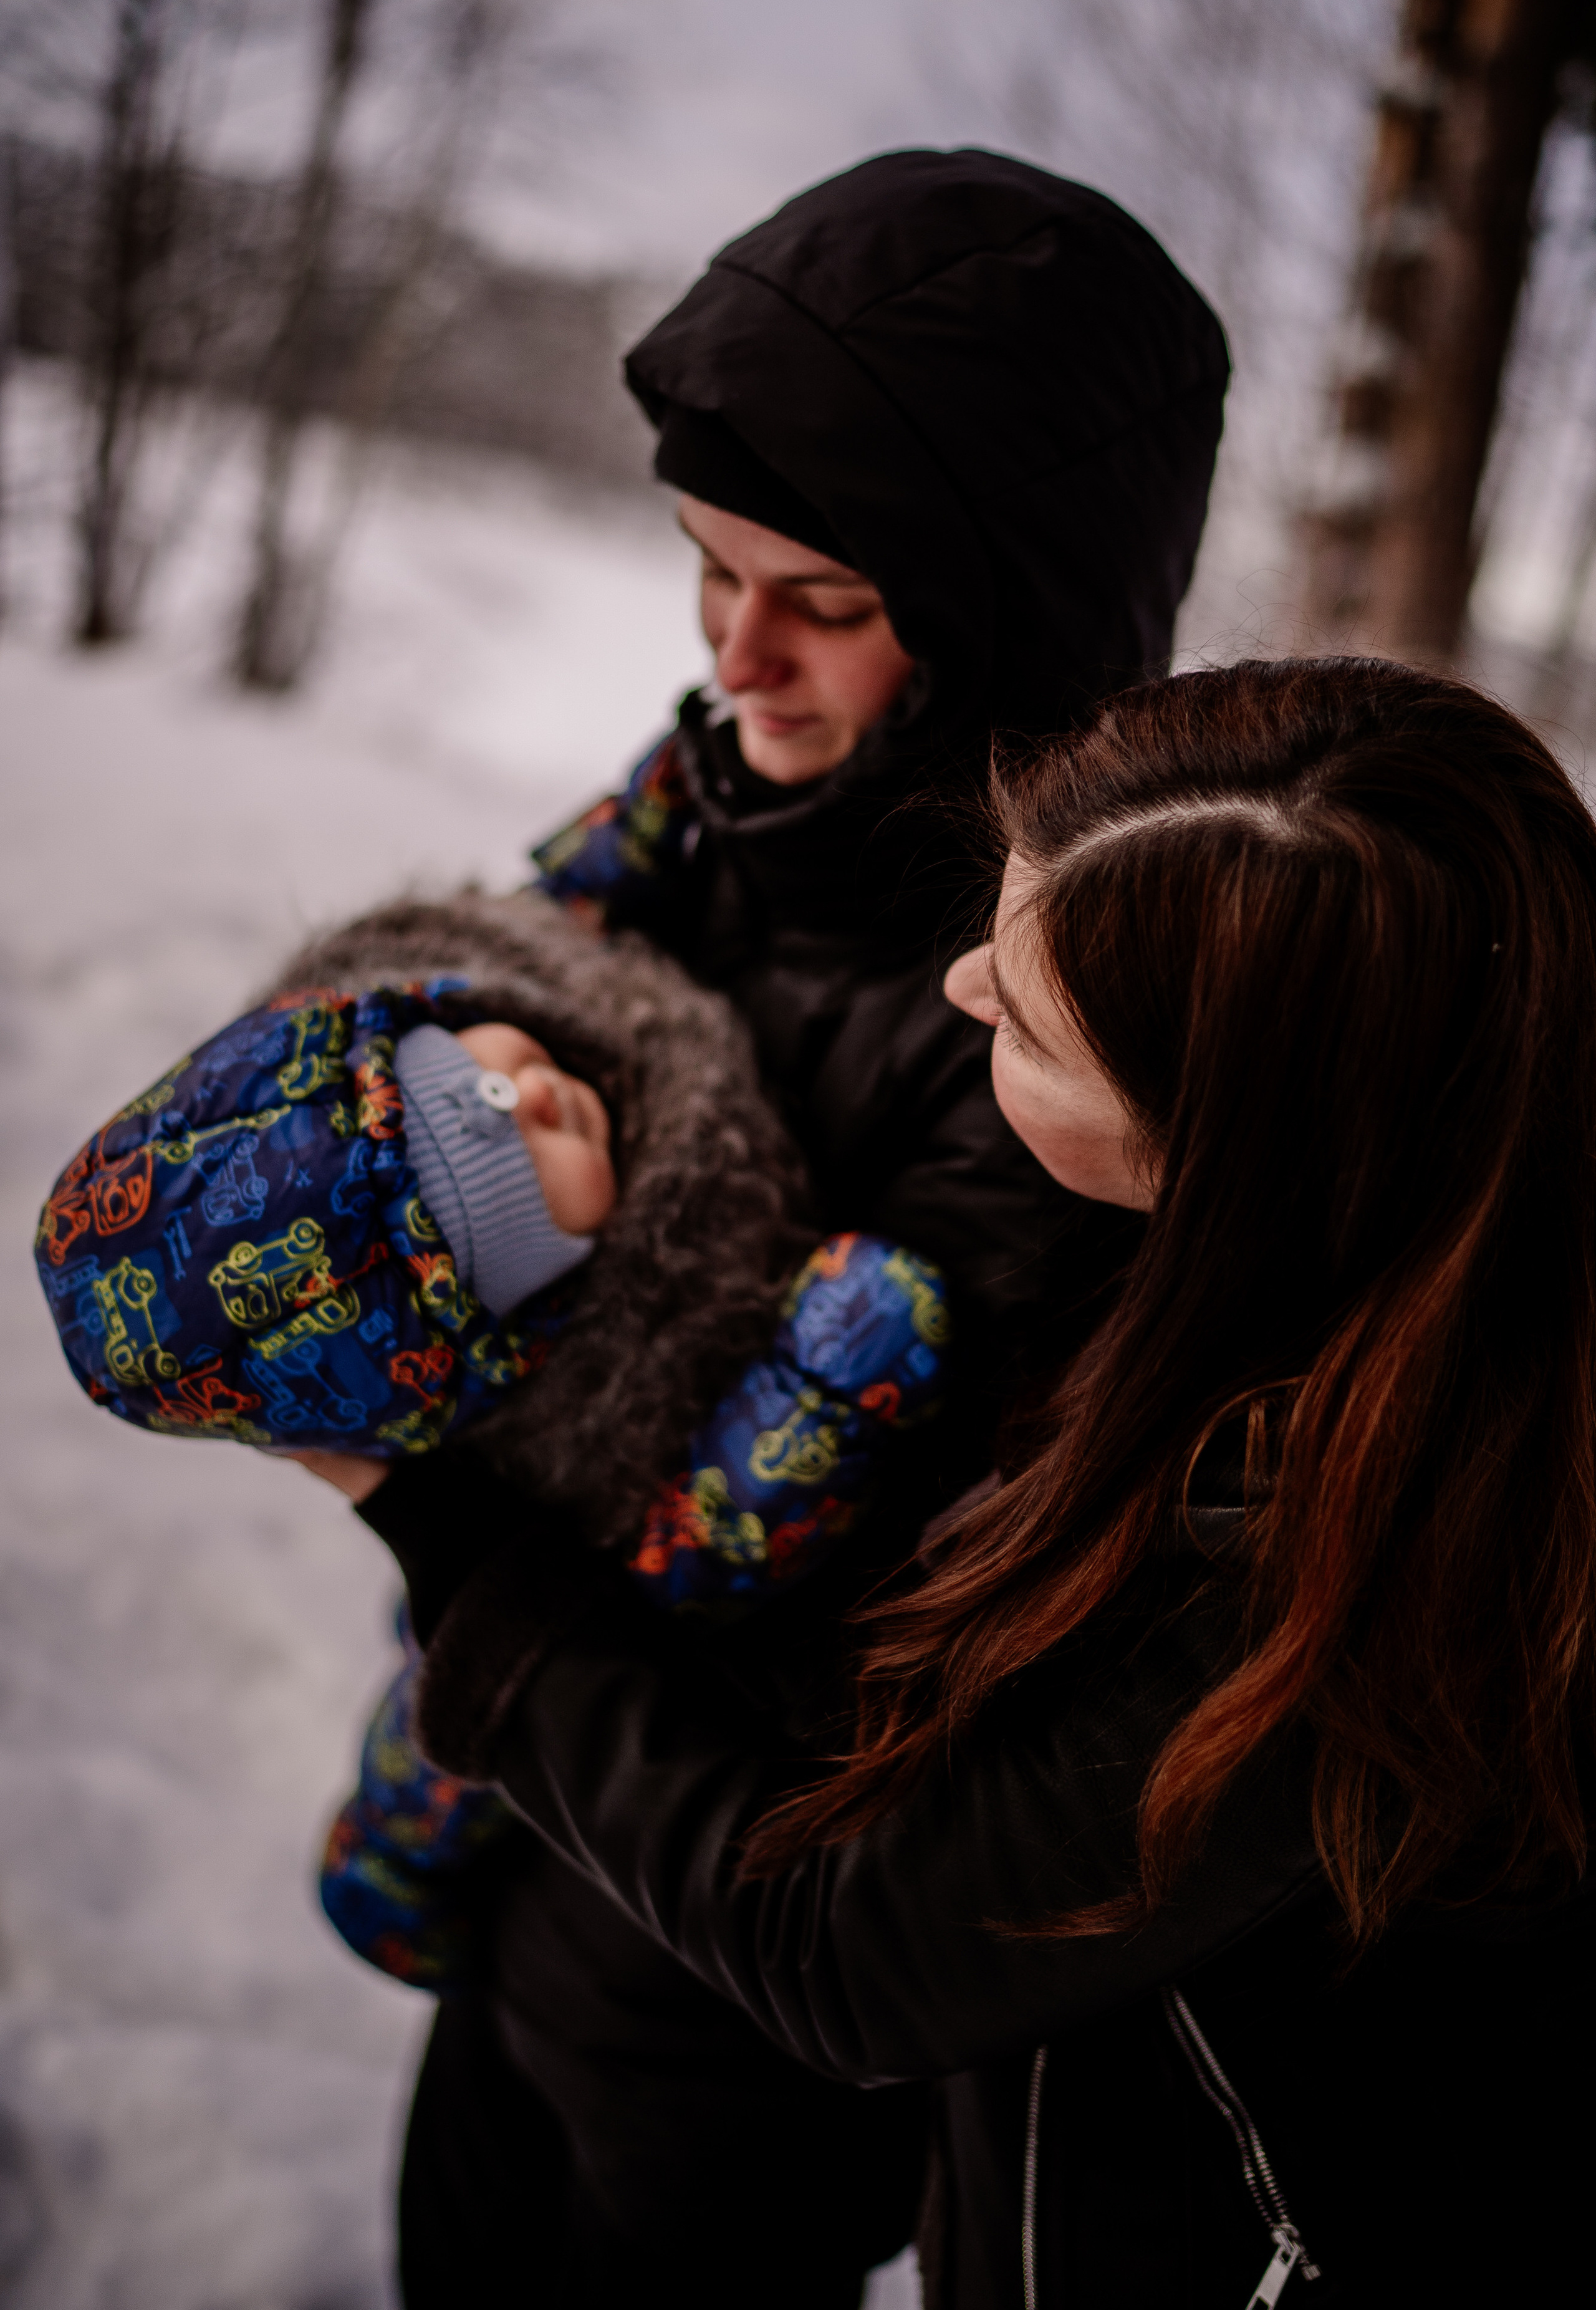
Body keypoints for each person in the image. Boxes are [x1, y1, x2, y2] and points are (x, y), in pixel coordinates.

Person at [342, 658, 1596, 2308]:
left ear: (1232, 1150)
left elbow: (853, 1952)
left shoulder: (1371, 1572)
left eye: (1027, 1014)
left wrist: (417, 1505)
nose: (957, 990)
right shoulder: (1352, 1277)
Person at [33, 888, 949, 1990]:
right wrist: (835, 1365)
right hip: (567, 1602)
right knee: (449, 1712)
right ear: (513, 1318)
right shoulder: (598, 1434)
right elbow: (710, 1539)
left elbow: (594, 870)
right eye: (503, 1180)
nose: (528, 1096)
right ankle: (386, 1873)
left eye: (463, 1074)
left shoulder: (529, 975)